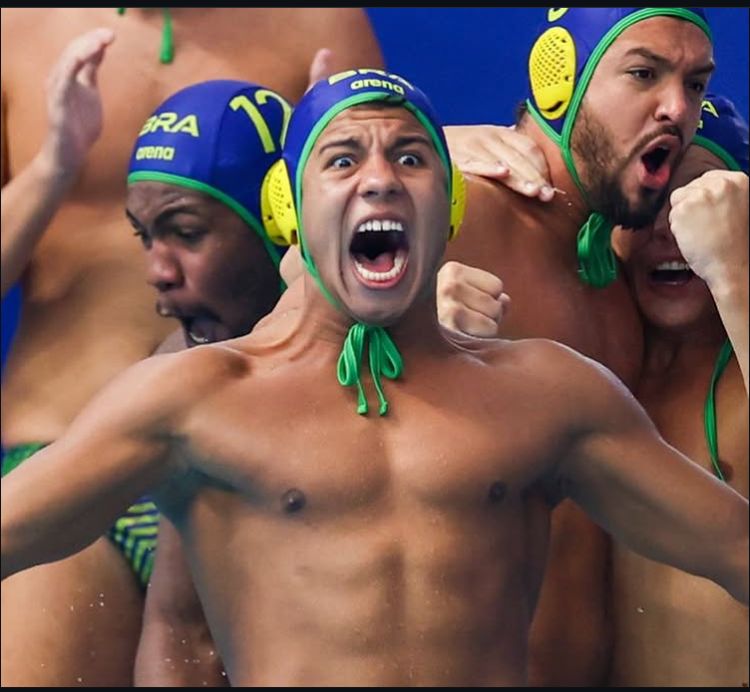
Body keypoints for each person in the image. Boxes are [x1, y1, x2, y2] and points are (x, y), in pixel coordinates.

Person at [3, 69, 748, 688]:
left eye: (412, 159)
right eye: (342, 160)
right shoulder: (194, 401)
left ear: (449, 206)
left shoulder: (549, 396)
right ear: (292, 210)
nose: (381, 180)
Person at [0, 8, 384, 686]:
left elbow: (402, 214)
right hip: (67, 449)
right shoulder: (15, 30)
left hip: (256, 467)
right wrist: (52, 167)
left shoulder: (315, 22)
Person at [439, 7, 716, 684]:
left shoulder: (618, 274)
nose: (677, 109)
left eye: (695, 84)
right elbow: (296, 278)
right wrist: (387, 302)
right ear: (557, 79)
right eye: (644, 74)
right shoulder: (462, 211)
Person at [607, 94, 749, 687]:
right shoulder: (600, 364)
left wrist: (733, 272)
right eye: (651, 201)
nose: (670, 228)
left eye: (699, 203)